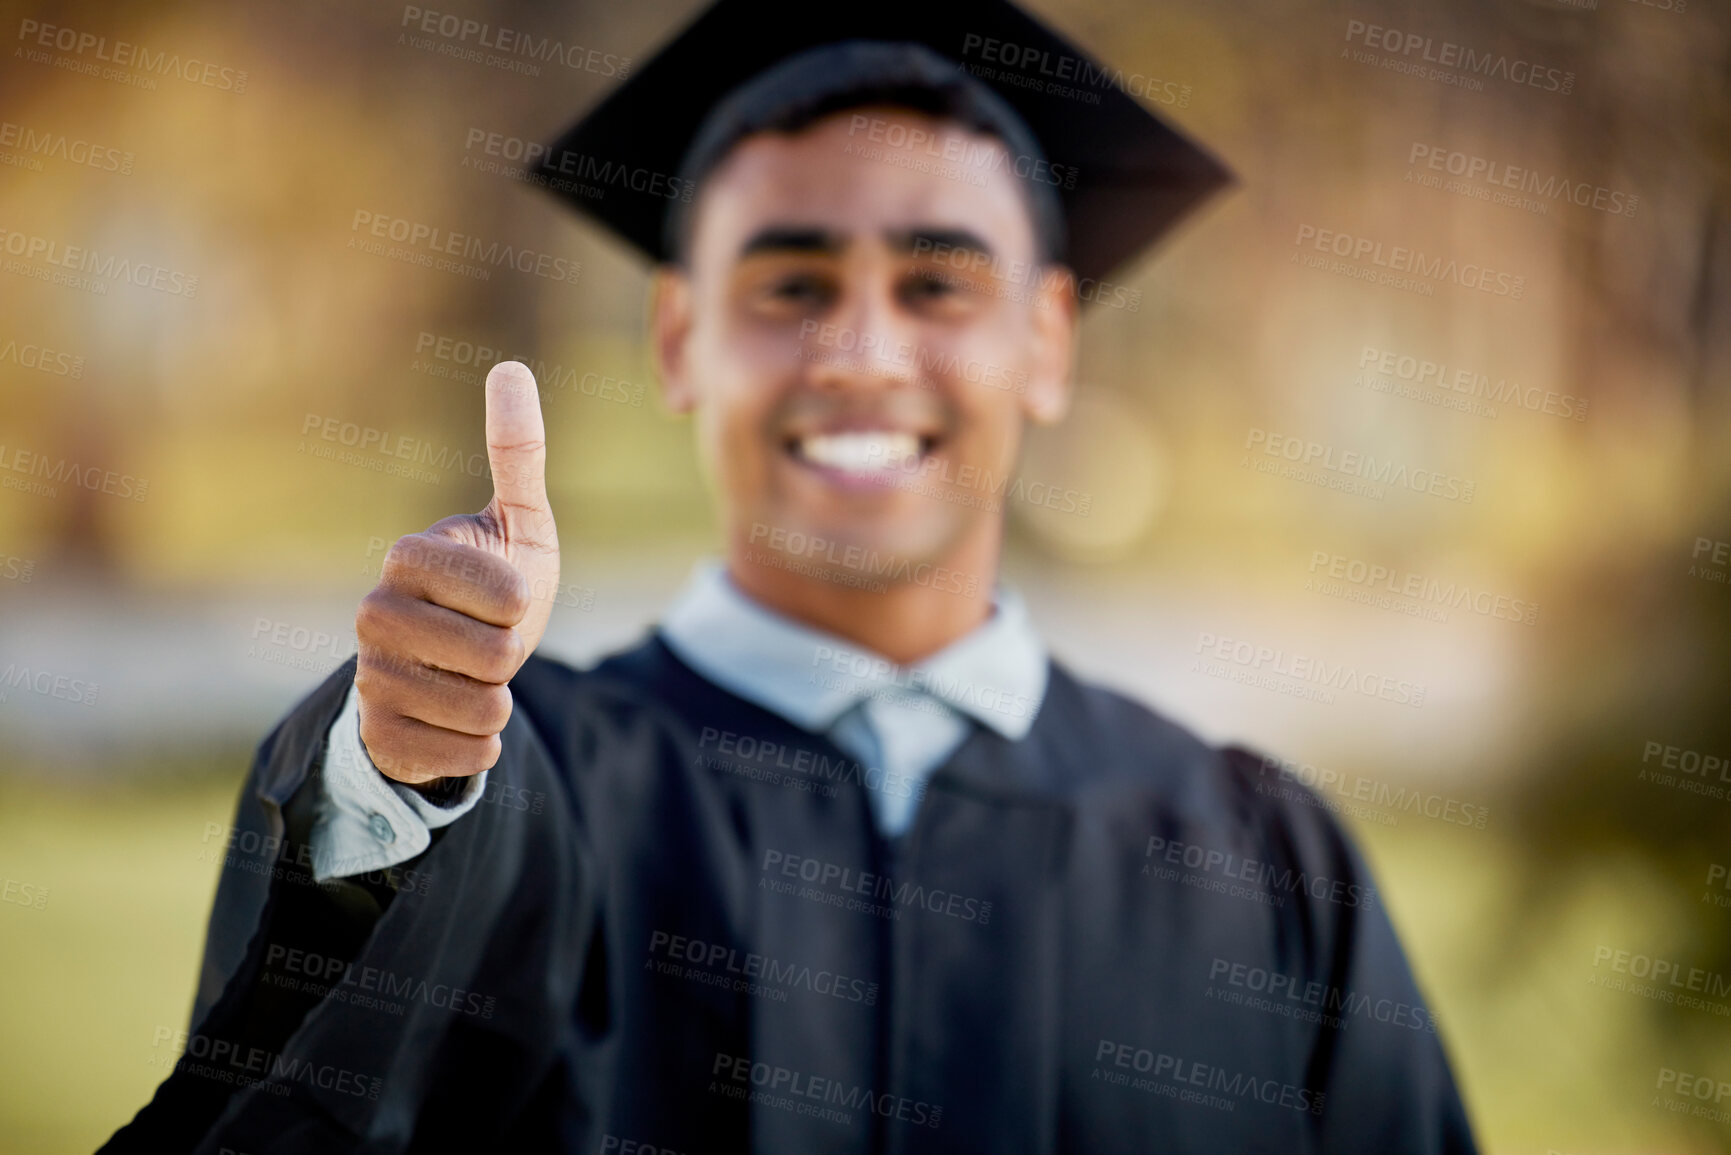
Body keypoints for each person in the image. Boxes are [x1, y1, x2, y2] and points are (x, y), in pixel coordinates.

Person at [105, 0, 1477, 1150]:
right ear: (681, 338)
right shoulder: (531, 790)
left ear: (1049, 341)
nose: (861, 354)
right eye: (790, 283)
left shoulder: (1261, 867)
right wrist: (397, 767)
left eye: (939, 284)